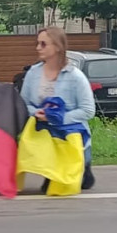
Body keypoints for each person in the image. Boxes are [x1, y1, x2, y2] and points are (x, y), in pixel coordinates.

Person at [20, 27, 96, 191]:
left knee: (74, 184)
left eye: (43, 44)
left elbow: (88, 110)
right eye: (37, 43)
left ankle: (84, 166)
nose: (38, 48)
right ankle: (51, 169)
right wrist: (35, 112)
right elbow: (23, 103)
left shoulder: (75, 76)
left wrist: (58, 117)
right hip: (43, 130)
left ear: (58, 47)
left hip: (69, 133)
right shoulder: (33, 73)